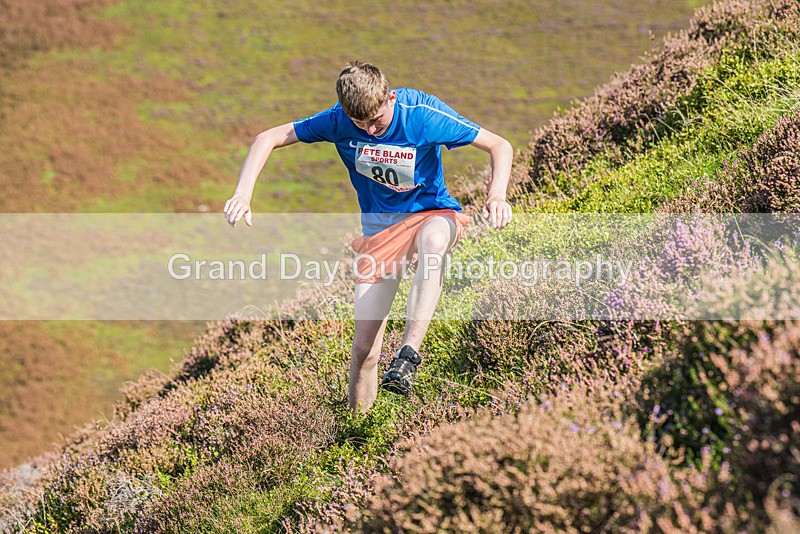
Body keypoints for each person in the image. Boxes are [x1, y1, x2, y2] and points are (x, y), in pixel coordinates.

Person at [224, 61, 513, 413]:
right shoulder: (338, 121)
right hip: (379, 231)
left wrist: (496, 196)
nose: (371, 130)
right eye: (361, 124)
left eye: (377, 120)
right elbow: (266, 139)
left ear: (390, 97)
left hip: (433, 213)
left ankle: (409, 355)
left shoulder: (421, 113)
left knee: (434, 243)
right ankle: (358, 428)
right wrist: (243, 194)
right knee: (363, 351)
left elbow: (499, 145)